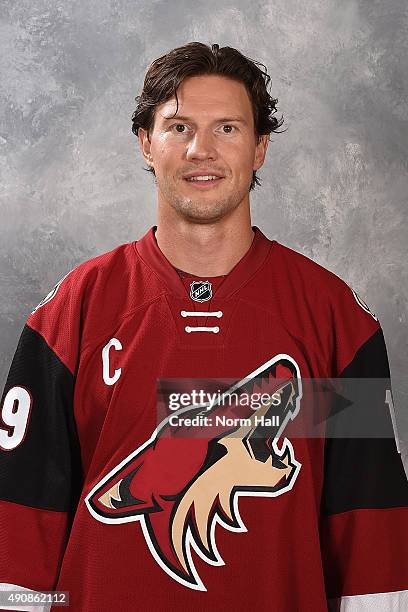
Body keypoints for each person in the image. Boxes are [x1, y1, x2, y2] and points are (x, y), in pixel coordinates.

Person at [0, 41, 407, 612]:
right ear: (146, 142)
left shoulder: (333, 319)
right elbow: (21, 523)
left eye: (228, 129)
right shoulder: (75, 312)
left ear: (261, 147)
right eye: (179, 127)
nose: (202, 150)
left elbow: (370, 530)